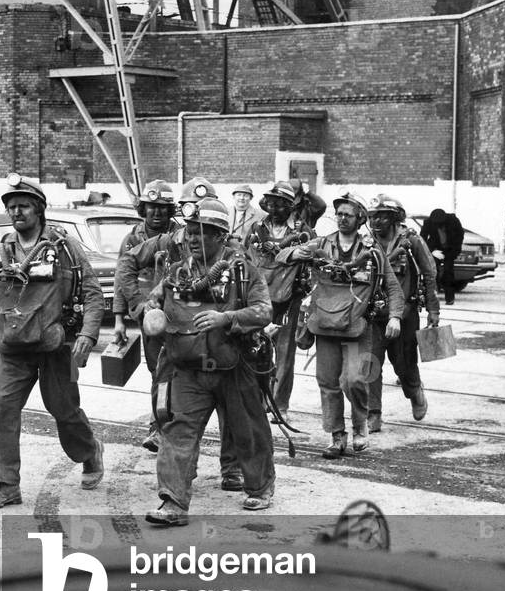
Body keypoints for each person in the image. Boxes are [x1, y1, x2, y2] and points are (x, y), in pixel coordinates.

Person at [132, 198, 276, 526]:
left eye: (204, 233)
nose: (194, 239)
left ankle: (261, 486)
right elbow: (152, 301)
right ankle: (173, 503)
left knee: (248, 430)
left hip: (233, 366)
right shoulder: (176, 272)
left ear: (220, 236)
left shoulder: (243, 270)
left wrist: (227, 318)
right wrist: (150, 310)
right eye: (191, 233)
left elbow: (264, 311)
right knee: (177, 431)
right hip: (187, 369)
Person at [0, 174, 104, 508]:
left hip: (54, 347)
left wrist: (88, 336)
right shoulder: (2, 249)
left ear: (38, 209)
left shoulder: (63, 247)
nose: (16, 212)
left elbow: (92, 293)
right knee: (3, 412)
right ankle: (5, 484)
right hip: (12, 347)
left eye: (23, 206)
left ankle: (90, 451)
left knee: (63, 409)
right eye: (11, 207)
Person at [118, 177, 242, 489]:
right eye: (192, 211)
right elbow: (128, 263)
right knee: (166, 394)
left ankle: (232, 469)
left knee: (230, 403)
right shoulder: (170, 241)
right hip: (174, 335)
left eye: (204, 210)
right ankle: (168, 447)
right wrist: (140, 306)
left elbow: (252, 288)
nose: (197, 220)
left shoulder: (233, 249)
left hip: (217, 336)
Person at [278, 193, 404, 458]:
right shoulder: (322, 243)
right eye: (340, 214)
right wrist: (295, 252)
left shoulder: (371, 251)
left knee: (355, 379)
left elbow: (392, 285)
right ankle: (337, 435)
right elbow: (280, 256)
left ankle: (360, 426)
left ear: (360, 219)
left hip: (358, 326)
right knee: (327, 382)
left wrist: (394, 316)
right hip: (325, 325)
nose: (343, 219)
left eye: (349, 214)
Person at [112, 179, 179, 453]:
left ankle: (164, 425)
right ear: (143, 208)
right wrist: (119, 319)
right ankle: (159, 423)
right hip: (146, 313)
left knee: (175, 371)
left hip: (177, 311)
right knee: (158, 372)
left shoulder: (180, 235)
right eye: (152, 207)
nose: (157, 213)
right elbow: (120, 277)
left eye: (163, 208)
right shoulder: (132, 238)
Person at [243, 182, 316, 420]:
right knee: (256, 349)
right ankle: (259, 398)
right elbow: (244, 257)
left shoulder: (302, 230)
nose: (274, 208)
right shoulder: (256, 228)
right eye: (270, 203)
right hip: (259, 298)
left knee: (285, 354)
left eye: (280, 203)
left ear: (290, 206)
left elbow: (315, 258)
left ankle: (280, 405)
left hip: (290, 298)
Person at [366, 195, 439, 431]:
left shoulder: (411, 240)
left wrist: (433, 310)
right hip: (373, 315)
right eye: (373, 216)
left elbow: (429, 274)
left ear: (395, 218)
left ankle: (415, 391)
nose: (376, 221)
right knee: (370, 363)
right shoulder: (366, 242)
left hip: (405, 314)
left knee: (404, 364)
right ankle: (373, 413)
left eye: (382, 216)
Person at [419, 208, 464, 305]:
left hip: (450, 250)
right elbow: (422, 239)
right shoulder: (428, 222)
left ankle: (450, 298)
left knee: (448, 272)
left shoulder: (453, 220)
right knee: (431, 272)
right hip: (435, 249)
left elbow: (460, 236)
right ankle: (429, 296)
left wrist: (452, 253)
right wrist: (431, 252)